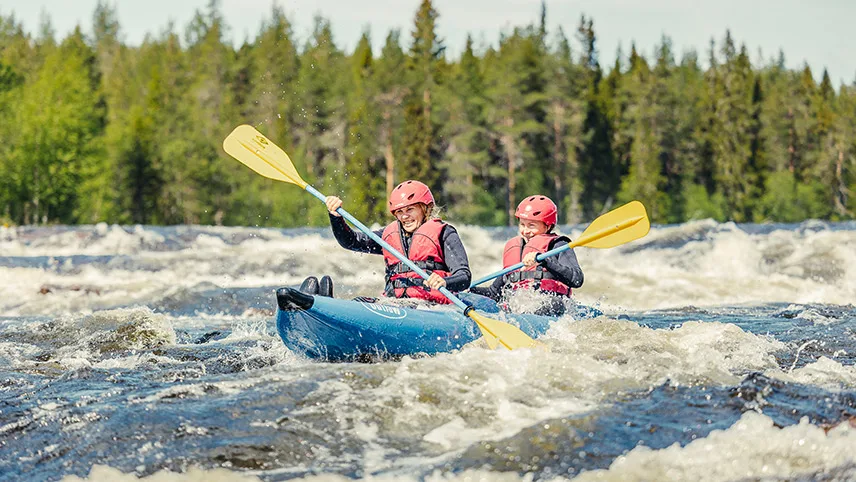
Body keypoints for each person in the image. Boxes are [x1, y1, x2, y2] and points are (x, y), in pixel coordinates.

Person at [299, 180, 472, 304]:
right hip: (394, 303)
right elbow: (350, 241)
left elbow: (464, 276)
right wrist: (335, 217)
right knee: (360, 302)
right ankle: (324, 308)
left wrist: (445, 282)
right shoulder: (389, 235)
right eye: (399, 211)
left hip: (431, 308)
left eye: (410, 209)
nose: (404, 216)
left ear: (425, 208)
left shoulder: (444, 233)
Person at [469, 195, 583, 316]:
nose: (525, 231)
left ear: (548, 226)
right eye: (522, 224)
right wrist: (469, 291)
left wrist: (545, 261)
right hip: (520, 310)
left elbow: (577, 279)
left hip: (552, 306)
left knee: (550, 304)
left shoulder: (558, 245)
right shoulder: (517, 249)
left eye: (531, 225)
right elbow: (493, 293)